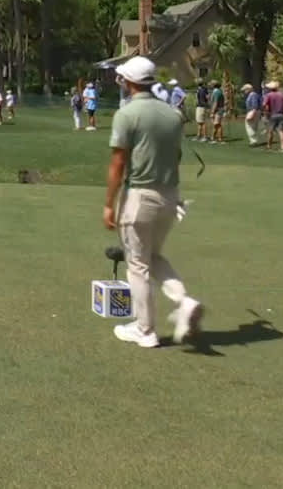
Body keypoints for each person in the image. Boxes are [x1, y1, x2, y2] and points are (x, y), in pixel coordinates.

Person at [104, 55, 205, 349]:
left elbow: (118, 162)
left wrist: (109, 203)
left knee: (137, 264)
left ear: (130, 81)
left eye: (122, 77)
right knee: (153, 256)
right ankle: (184, 301)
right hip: (171, 197)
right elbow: (176, 156)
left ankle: (145, 330)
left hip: (141, 195)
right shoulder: (172, 114)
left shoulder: (127, 114)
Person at [262, 81, 283, 152]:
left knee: (270, 131)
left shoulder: (268, 95)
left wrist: (266, 113)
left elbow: (264, 105)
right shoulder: (282, 95)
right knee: (281, 131)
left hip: (273, 115)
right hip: (281, 114)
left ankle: (269, 146)